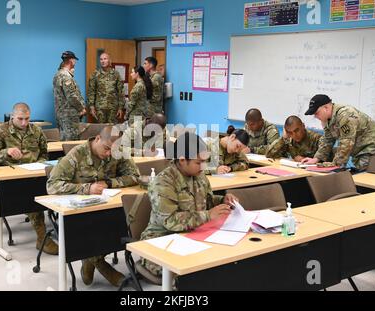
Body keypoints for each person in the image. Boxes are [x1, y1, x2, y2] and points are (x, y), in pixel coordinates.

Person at [46, 126, 140, 287]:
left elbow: (135, 176)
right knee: (97, 230)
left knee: (121, 225)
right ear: (97, 139)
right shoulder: (77, 154)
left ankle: (92, 260)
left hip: (106, 206)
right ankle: (99, 263)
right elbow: (52, 185)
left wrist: (110, 183)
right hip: (78, 213)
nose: (109, 153)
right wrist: (86, 188)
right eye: (106, 148)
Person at [140, 132, 239, 278]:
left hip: (194, 235)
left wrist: (222, 200)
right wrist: (208, 215)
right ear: (182, 160)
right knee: (191, 273)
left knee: (225, 262)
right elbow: (170, 221)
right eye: (198, 162)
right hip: (162, 239)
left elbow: (207, 201)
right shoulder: (163, 182)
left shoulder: (199, 175)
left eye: (205, 161)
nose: (203, 166)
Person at [0, 103, 58, 255]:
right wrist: (6, 152)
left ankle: (63, 229)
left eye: (27, 119)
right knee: (31, 195)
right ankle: (42, 238)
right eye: (20, 119)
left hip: (33, 174)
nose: (24, 123)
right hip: (10, 178)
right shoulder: (0, 131)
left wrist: (40, 163)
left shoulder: (36, 130)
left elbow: (44, 153)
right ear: (12, 116)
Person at [301, 94, 375, 170]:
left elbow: (346, 143)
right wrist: (316, 159)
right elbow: (327, 139)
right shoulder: (327, 119)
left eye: (317, 113)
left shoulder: (345, 115)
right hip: (361, 150)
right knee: (356, 173)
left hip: (374, 147)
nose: (315, 116)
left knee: (362, 175)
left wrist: (335, 165)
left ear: (326, 108)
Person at [53, 51, 86, 141]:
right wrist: (81, 108)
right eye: (74, 60)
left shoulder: (57, 75)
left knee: (63, 141)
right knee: (71, 143)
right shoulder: (66, 76)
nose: (75, 63)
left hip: (61, 114)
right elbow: (71, 96)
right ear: (72, 61)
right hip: (69, 116)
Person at [87, 52, 124, 124]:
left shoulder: (116, 74)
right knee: (101, 130)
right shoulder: (95, 74)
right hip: (100, 108)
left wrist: (120, 108)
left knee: (112, 130)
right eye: (101, 59)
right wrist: (91, 107)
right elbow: (91, 91)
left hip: (113, 108)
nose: (103, 61)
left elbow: (121, 91)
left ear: (109, 60)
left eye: (105, 59)